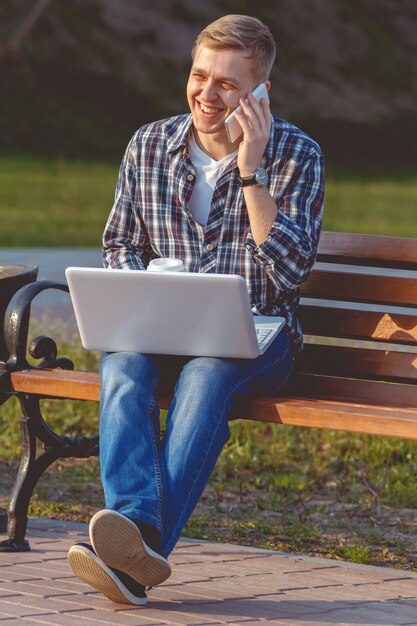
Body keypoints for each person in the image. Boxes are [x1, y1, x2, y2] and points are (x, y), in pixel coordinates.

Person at [67, 14, 324, 605]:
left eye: (228, 84)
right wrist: (142, 288)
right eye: (200, 75)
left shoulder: (296, 156)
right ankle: (136, 543)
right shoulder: (150, 143)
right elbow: (121, 243)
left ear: (260, 92)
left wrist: (251, 171)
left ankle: (137, 547)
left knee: (207, 376)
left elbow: (286, 278)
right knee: (122, 365)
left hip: (258, 337)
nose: (207, 95)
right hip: (161, 327)